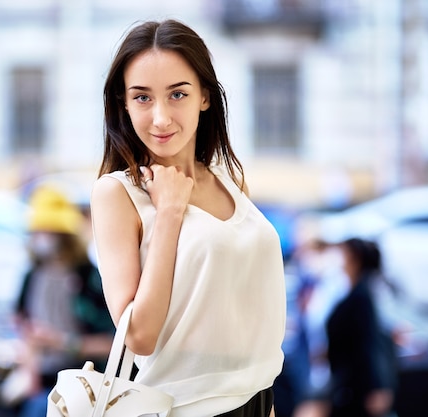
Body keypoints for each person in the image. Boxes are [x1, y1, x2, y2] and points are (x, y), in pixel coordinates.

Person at [91, 19, 286, 417]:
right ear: (123, 104)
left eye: (177, 94)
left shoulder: (229, 182)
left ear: (205, 97)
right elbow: (139, 337)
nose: (160, 118)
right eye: (142, 98)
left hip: (258, 399)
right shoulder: (118, 193)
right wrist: (169, 212)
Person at [10, 186, 114, 417]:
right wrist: (29, 368)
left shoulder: (89, 279)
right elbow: (21, 322)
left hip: (83, 383)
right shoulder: (33, 275)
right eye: (38, 231)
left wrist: (63, 342)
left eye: (50, 231)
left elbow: (114, 342)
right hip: (41, 379)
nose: (42, 238)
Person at [325, 238, 397, 417]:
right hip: (348, 381)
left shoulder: (363, 296)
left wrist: (378, 385)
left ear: (354, 259)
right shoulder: (358, 291)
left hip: (357, 385)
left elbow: (370, 341)